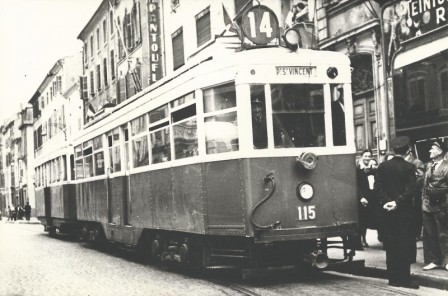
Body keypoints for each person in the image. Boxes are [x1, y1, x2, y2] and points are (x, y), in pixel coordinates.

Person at [374, 136, 419, 289]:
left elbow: (377, 189)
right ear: (407, 150)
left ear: (393, 150)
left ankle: (393, 278)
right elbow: (411, 190)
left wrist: (388, 202)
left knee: (391, 245)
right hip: (404, 213)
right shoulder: (409, 167)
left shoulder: (382, 167)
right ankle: (405, 279)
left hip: (387, 213)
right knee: (404, 244)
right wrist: (397, 202)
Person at [421, 140, 448, 271]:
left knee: (443, 234)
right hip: (427, 205)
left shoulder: (447, 167)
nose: (429, 151)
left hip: (442, 205)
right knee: (430, 234)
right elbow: (424, 186)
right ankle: (434, 260)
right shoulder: (428, 166)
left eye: (432, 149)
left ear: (440, 151)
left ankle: (446, 260)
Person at [356, 149, 380, 248]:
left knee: (376, 217)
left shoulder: (373, 168)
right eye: (365, 156)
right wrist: (361, 197)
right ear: (362, 157)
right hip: (363, 197)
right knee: (363, 219)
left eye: (369, 156)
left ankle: (381, 237)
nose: (367, 158)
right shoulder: (358, 169)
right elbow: (357, 185)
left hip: (373, 196)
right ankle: (363, 239)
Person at [403, 141, 425, 241]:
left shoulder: (416, 162)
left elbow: (421, 178)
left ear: (409, 149)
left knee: (415, 214)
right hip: (403, 194)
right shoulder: (401, 161)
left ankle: (416, 233)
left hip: (413, 195)